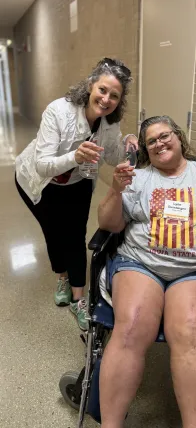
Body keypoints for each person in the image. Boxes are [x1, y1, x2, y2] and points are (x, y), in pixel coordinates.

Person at [97, 115, 196, 428]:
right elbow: (109, 224)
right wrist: (115, 190)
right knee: (132, 326)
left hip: (193, 269)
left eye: (164, 136)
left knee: (191, 331)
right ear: (145, 151)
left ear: (179, 137)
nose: (159, 143)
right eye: (151, 141)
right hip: (140, 263)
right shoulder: (138, 178)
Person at [15, 57, 138, 330]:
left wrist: (127, 141)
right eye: (103, 90)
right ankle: (62, 277)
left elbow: (112, 156)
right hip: (38, 181)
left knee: (74, 235)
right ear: (91, 85)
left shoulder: (109, 123)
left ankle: (78, 299)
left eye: (114, 96)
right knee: (53, 230)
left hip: (78, 181)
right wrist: (75, 155)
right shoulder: (58, 111)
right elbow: (42, 164)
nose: (106, 100)